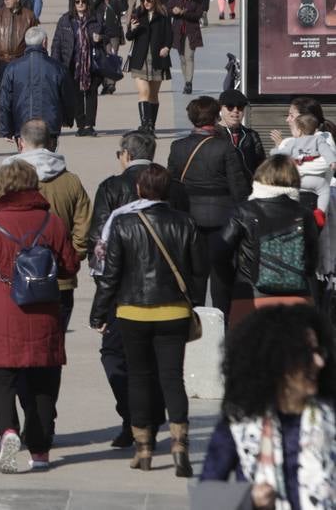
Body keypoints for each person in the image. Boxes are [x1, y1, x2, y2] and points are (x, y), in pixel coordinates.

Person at [0, 160, 80, 473]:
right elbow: (70, 266)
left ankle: (9, 431)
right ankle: (40, 452)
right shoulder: (52, 223)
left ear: (3, 187)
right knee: (43, 383)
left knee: (2, 379)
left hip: (4, 314)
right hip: (43, 312)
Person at [89, 163, 198, 476]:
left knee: (138, 377)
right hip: (174, 311)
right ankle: (179, 446)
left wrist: (99, 312)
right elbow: (198, 266)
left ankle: (144, 449)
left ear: (139, 189)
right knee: (172, 378)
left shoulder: (123, 223)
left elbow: (110, 275)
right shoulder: (184, 222)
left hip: (132, 311)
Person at [200, 304, 336, 507]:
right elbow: (207, 496)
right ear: (277, 360)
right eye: (308, 353)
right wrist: (250, 500)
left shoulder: (330, 415)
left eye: (319, 351)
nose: (319, 361)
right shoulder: (240, 421)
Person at [88, 131, 160, 449]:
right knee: (155, 357)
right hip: (163, 288)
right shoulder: (170, 187)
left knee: (115, 355)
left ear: (126, 155)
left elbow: (98, 244)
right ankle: (150, 416)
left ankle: (131, 415)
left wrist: (102, 294)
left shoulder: (112, 187)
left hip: (123, 290)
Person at [0, 118, 91, 327]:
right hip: (59, 278)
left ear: (20, 142)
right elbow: (84, 224)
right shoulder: (70, 181)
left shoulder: (4, 179)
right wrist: (73, 254)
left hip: (16, 277)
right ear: (51, 142)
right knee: (54, 348)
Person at [167, 95, 252, 310]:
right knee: (221, 278)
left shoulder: (177, 147)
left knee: (194, 275)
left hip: (189, 220)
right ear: (215, 118)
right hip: (222, 221)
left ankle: (195, 323)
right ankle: (221, 324)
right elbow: (239, 189)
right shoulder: (225, 148)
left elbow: (172, 185)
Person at [218, 157, 321, 324]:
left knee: (248, 348)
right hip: (297, 299)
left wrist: (236, 281)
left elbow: (220, 254)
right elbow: (312, 260)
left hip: (250, 297)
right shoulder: (304, 214)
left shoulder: (243, 211)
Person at [0, 28, 75, 145]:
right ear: (45, 42)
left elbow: (4, 101)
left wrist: (6, 129)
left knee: (27, 161)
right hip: (49, 126)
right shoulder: (57, 68)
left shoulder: (12, 68)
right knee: (46, 159)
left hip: (23, 125)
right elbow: (68, 98)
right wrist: (67, 119)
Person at [50, 0, 104, 136]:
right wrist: (55, 62)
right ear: (73, 4)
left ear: (87, 3)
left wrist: (101, 39)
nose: (81, 4)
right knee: (76, 95)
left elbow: (107, 35)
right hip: (72, 63)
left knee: (92, 94)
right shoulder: (65, 20)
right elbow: (57, 42)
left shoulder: (96, 18)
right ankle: (81, 125)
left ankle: (90, 125)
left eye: (83, 1)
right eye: (78, 2)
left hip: (92, 63)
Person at [126, 0, 172, 136]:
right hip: (140, 59)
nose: (145, 3)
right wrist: (132, 29)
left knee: (153, 95)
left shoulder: (163, 14)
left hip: (158, 59)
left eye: (149, 0)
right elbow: (129, 37)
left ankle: (151, 126)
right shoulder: (138, 13)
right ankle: (145, 125)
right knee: (144, 91)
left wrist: (166, 47)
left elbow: (169, 35)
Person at [272, 114, 336, 215]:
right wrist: (332, 162)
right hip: (313, 180)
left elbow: (282, 154)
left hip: (295, 180)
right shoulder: (318, 140)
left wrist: (276, 149)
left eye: (293, 128)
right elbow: (326, 152)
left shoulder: (293, 142)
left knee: (290, 191)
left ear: (300, 130)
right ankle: (320, 211)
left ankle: (292, 207)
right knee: (324, 189)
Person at [0, 0, 37, 80]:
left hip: (21, 60)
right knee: (4, 89)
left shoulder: (29, 16)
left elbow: (34, 39)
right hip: (1, 61)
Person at [92, 0, 128, 96]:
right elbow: (90, 8)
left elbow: (124, 9)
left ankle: (110, 84)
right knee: (101, 57)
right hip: (100, 31)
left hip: (113, 32)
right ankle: (106, 83)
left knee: (111, 56)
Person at [220, 88, 267, 178]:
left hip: (247, 188)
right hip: (222, 188)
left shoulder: (251, 135)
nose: (235, 110)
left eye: (240, 107)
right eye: (230, 107)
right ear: (220, 108)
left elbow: (261, 165)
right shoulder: (213, 134)